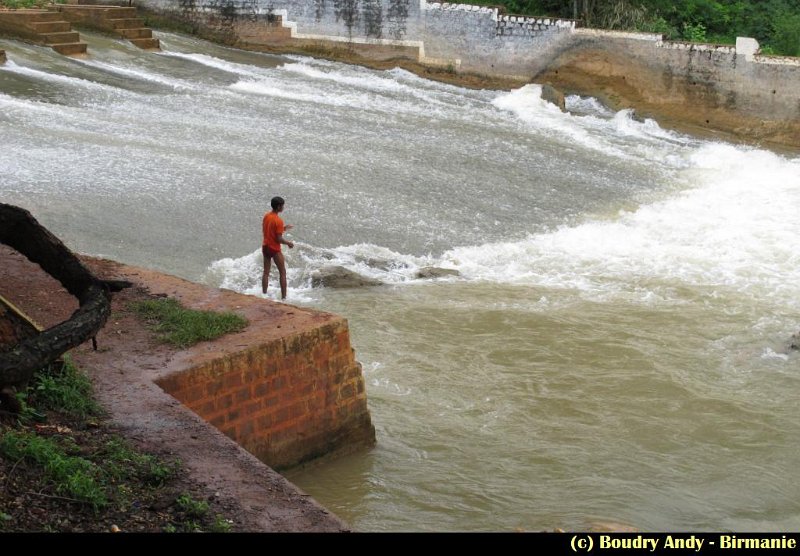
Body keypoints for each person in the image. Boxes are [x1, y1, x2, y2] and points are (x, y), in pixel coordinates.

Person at [262, 196, 294, 299]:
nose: (283, 207)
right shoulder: (278, 220)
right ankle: (284, 298)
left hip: (265, 246)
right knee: (283, 272)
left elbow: (270, 230)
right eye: (282, 205)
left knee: (266, 272)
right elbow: (279, 239)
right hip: (274, 249)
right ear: (279, 206)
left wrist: (284, 228)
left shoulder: (267, 216)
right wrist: (289, 243)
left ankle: (263, 294)